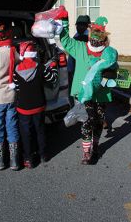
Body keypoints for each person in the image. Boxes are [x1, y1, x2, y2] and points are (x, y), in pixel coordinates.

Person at [57, 9, 118, 165]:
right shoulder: (81, 48)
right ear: (90, 35)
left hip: (102, 93)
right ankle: (86, 152)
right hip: (84, 94)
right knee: (87, 121)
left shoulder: (108, 53)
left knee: (98, 121)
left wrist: (112, 74)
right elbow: (65, 40)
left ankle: (95, 147)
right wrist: (64, 21)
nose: (96, 38)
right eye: (94, 35)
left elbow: (115, 70)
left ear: (104, 39)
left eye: (99, 36)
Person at [13, 41, 58, 168]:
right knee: (40, 130)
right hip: (39, 105)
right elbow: (53, 79)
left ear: (22, 54)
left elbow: (16, 88)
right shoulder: (41, 67)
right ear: (34, 53)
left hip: (23, 107)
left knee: (26, 133)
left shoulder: (16, 69)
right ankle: (43, 155)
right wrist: (53, 67)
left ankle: (28, 158)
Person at [0, 22, 20, 171]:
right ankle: (14, 161)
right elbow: (21, 62)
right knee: (12, 126)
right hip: (12, 96)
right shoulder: (14, 53)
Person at [67, 15, 91, 106]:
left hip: (81, 70)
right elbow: (72, 55)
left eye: (81, 25)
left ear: (86, 26)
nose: (78, 27)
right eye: (77, 25)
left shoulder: (86, 38)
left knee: (81, 93)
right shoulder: (76, 36)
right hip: (74, 68)